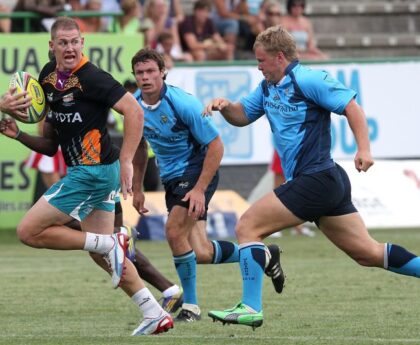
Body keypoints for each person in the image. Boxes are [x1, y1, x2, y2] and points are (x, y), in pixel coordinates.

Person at [204, 25, 420, 329]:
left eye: (262, 60)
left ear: (279, 57)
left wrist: (364, 149)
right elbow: (242, 116)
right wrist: (226, 107)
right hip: (323, 182)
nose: (258, 66)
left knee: (247, 225)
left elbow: (351, 107)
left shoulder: (307, 79)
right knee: (368, 253)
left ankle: (251, 306)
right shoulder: (268, 87)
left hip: (317, 178)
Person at [0, 17, 173, 336]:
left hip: (93, 172)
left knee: (28, 231)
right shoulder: (47, 79)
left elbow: (134, 112)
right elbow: (51, 146)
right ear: (51, 46)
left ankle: (110, 242)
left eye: (74, 41)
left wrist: (127, 161)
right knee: (102, 255)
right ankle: (153, 311)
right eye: (62, 42)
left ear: (83, 43)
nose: (69, 47)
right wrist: (18, 135)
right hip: (92, 173)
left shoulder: (94, 77)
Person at [129, 48, 284, 322]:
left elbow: (216, 145)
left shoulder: (183, 103)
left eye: (151, 71)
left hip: (197, 171)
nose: (145, 77)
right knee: (200, 252)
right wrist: (138, 188)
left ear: (163, 72)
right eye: (140, 73)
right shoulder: (133, 106)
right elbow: (140, 148)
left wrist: (199, 189)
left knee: (174, 232)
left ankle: (191, 307)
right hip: (171, 178)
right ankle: (263, 255)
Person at [271, 150, 315, 237]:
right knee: (278, 189)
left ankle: (298, 227)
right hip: (284, 147)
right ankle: (273, 227)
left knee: (297, 187)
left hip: (297, 148)